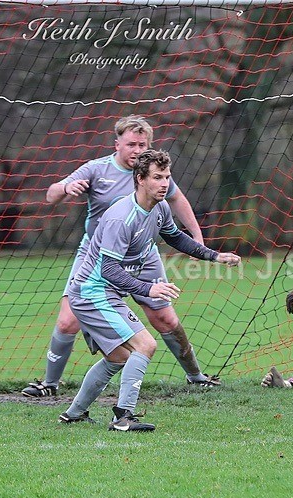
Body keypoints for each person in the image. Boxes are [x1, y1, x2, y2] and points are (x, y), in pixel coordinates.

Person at [22, 115, 220, 398]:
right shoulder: (96, 169)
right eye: (131, 144)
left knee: (164, 317)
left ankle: (195, 376)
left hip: (144, 253)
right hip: (97, 254)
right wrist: (66, 188)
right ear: (117, 144)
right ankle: (50, 384)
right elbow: (50, 195)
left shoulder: (155, 174)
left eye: (143, 144)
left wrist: (198, 239)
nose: (137, 150)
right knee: (68, 320)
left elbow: (177, 200)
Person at [59, 149, 240, 430]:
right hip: (90, 294)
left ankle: (74, 413)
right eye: (157, 177)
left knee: (118, 356)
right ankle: (122, 418)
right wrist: (149, 289)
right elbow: (108, 270)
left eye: (167, 176)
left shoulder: (159, 207)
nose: (165, 183)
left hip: (104, 293)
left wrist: (214, 256)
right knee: (145, 344)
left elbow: (174, 236)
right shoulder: (122, 217)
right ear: (140, 179)